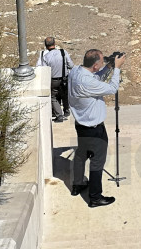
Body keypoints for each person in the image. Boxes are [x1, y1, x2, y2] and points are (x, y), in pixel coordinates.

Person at [68, 49, 125, 207]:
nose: (100, 66)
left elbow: (95, 77)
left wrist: (109, 66)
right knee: (97, 162)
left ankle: (78, 184)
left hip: (81, 125)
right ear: (94, 65)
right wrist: (118, 68)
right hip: (94, 128)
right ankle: (95, 197)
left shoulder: (76, 72)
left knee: (81, 155)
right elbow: (112, 89)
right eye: (100, 64)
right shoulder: (88, 82)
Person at [35, 36, 70, 121]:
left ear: (46, 45)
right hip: (64, 78)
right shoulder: (63, 52)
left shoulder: (45, 56)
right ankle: (66, 112)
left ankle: (59, 115)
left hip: (53, 80)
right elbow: (71, 65)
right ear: (55, 44)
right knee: (65, 94)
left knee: (53, 97)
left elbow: (42, 68)